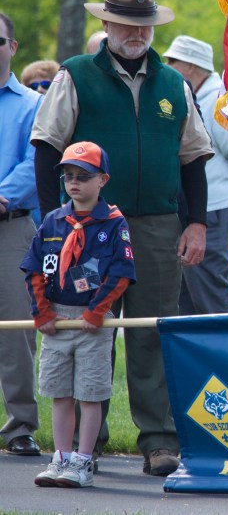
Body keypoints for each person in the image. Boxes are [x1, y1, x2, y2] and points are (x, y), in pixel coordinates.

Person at [31, 0, 214, 476]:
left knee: (151, 329)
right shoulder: (75, 75)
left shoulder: (174, 84)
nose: (136, 34)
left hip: (157, 223)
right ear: (107, 24)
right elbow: (47, 148)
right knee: (90, 330)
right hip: (89, 227)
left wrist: (195, 223)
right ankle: (90, 442)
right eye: (126, 24)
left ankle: (157, 439)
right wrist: (58, 221)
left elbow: (194, 159)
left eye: (144, 25)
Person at [22, 142, 135, 489]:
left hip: (93, 321)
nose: (74, 183)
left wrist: (97, 311)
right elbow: (35, 269)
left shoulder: (114, 224)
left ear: (102, 180)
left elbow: (121, 272)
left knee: (89, 393)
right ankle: (60, 456)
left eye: (83, 177)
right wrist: (42, 313)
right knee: (59, 393)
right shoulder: (53, 221)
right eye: (68, 176)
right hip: (56, 320)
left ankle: (84, 459)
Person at [163, 35, 228, 315]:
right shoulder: (197, 98)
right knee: (187, 293)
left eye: (173, 61)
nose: (168, 66)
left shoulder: (222, 103)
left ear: (191, 67)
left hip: (214, 209)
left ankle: (225, 354)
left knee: (209, 290)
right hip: (194, 209)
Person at [0, 11, 42, 457]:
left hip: (10, 226)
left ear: (13, 47)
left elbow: (36, 164)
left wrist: (0, 197)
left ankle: (19, 427)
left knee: (15, 330)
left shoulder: (33, 104)